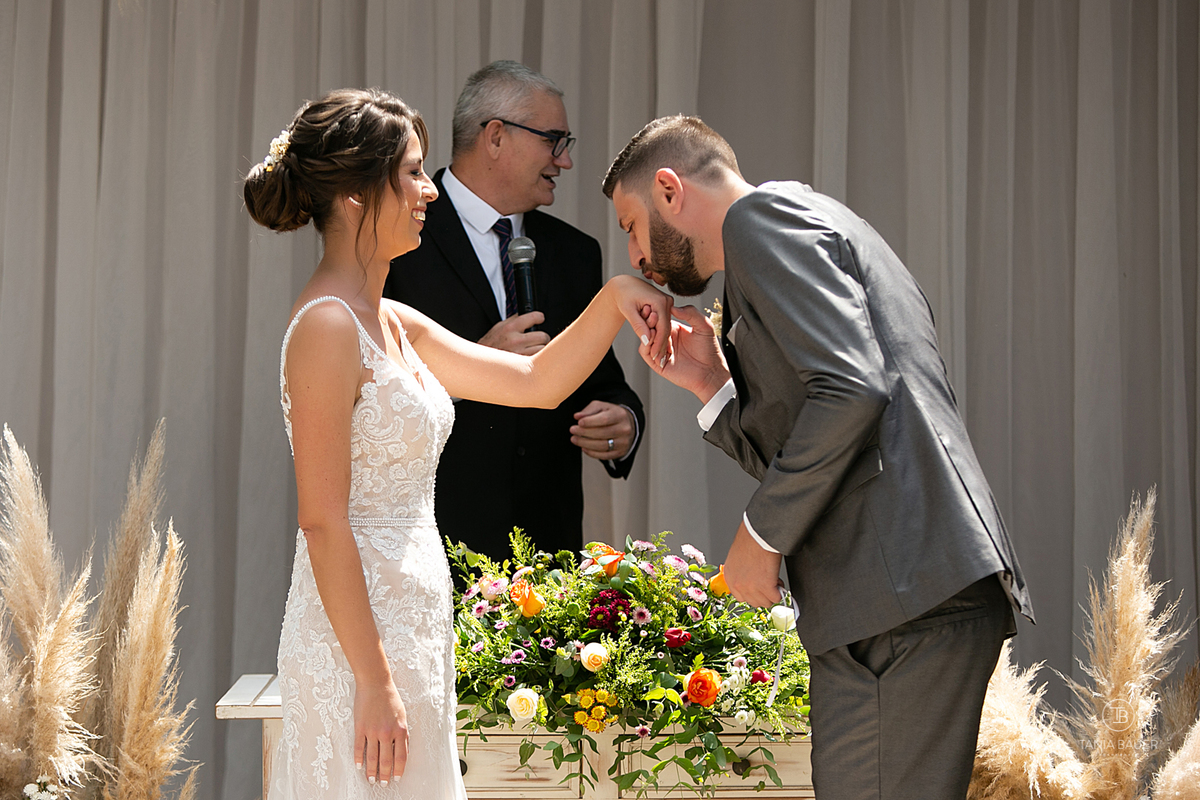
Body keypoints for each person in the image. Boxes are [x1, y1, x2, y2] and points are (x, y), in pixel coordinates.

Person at [243, 88, 669, 799]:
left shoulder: (393, 322)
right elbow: (322, 521)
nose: (427, 192)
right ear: (353, 195)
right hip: (359, 643)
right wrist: (374, 682)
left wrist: (618, 296)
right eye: (411, 173)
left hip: (418, 624)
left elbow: (535, 379)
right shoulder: (326, 327)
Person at [602, 115, 1035, 800]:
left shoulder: (761, 222)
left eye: (630, 224)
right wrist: (711, 383)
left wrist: (759, 535)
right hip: (892, 592)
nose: (636, 256)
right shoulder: (799, 228)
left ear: (668, 189)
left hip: (903, 590)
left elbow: (853, 388)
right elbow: (827, 434)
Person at [384, 61, 644, 560]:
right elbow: (366, 393)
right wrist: (477, 360)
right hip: (433, 547)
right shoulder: (398, 238)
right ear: (496, 137)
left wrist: (624, 419)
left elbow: (600, 378)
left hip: (548, 554)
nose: (563, 161)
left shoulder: (575, 252)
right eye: (553, 140)